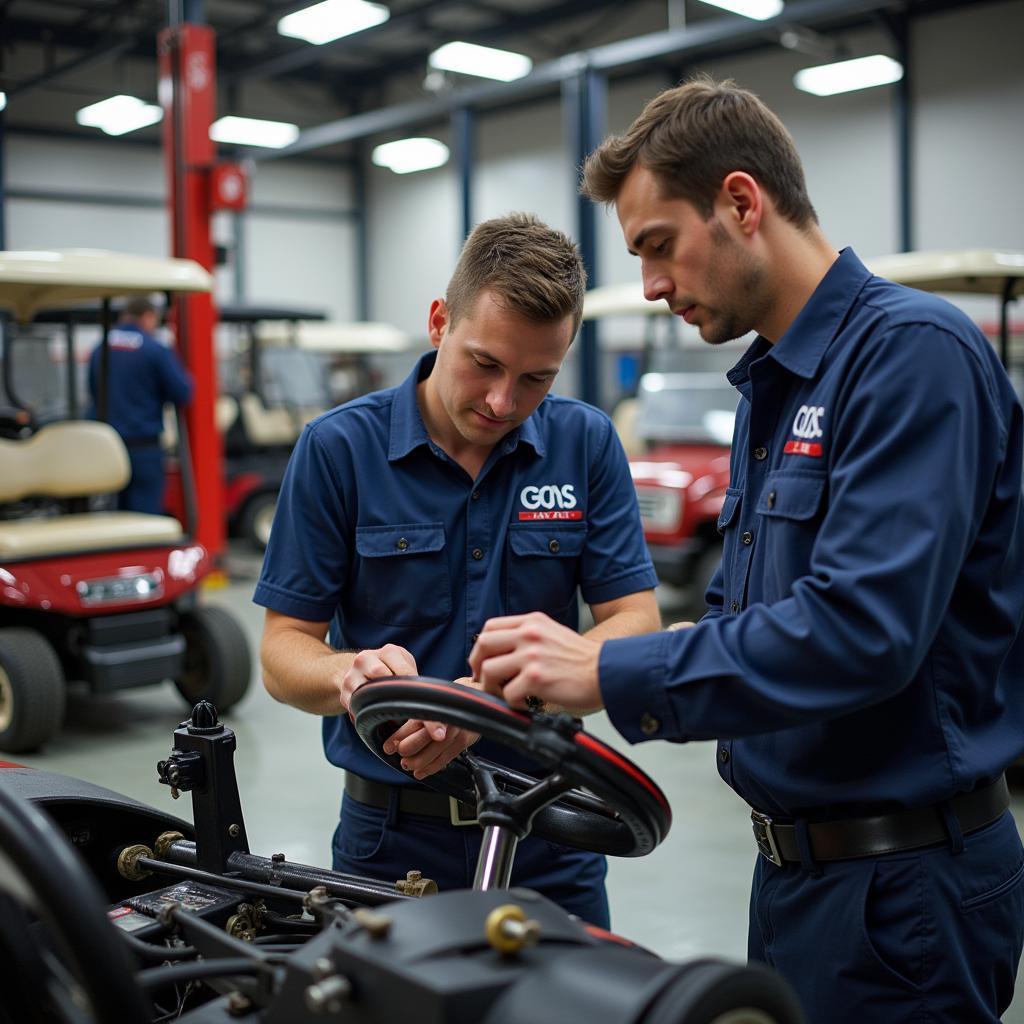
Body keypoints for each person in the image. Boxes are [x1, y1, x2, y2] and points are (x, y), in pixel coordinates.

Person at [469, 77, 1024, 1022]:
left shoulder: (911, 355)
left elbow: (862, 630)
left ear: (740, 202)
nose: (650, 284)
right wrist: (594, 656)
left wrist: (613, 670)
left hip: (904, 890)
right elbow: (744, 615)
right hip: (803, 879)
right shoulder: (773, 385)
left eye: (657, 246)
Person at [253, 213, 660, 928]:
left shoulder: (585, 443)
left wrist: (492, 700)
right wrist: (350, 676)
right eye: (486, 364)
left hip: (550, 835)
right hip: (390, 841)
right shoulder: (338, 450)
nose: (504, 402)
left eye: (537, 377)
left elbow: (634, 622)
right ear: (440, 321)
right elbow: (284, 649)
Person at [87, 296, 193, 514]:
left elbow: (93, 391)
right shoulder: (154, 349)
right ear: (148, 317)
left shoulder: (100, 349)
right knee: (145, 516)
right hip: (143, 447)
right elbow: (183, 392)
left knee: (114, 513)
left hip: (106, 447)